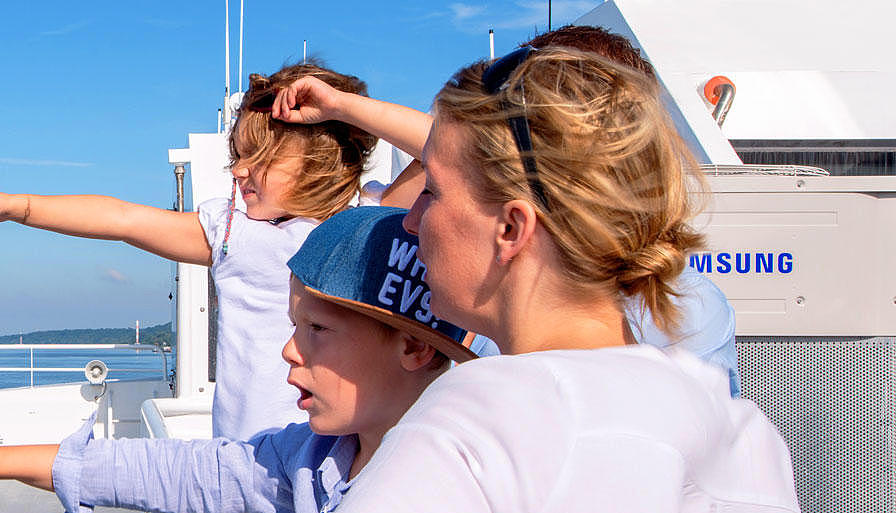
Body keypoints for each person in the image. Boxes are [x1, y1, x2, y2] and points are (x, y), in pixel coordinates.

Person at [334, 45, 797, 512]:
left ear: (511, 229)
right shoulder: (739, 429)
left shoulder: (475, 424)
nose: (411, 222)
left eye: (431, 190)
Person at [264, 25, 742, 394]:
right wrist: (343, 107)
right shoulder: (694, 321)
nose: (413, 220)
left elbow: (467, 158)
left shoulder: (684, 312)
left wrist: (345, 108)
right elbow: (465, 155)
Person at [0, 206, 478, 513]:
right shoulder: (308, 460)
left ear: (413, 346)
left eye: (318, 330)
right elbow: (185, 474)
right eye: (293, 327)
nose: (289, 349)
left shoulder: (469, 482)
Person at [0, 61, 379, 440]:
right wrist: (14, 206)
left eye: (257, 158)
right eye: (237, 155)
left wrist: (342, 106)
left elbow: (442, 145)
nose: (239, 170)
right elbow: (121, 219)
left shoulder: (372, 223)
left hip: (327, 465)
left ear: (322, 157)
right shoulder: (232, 234)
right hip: (242, 463)